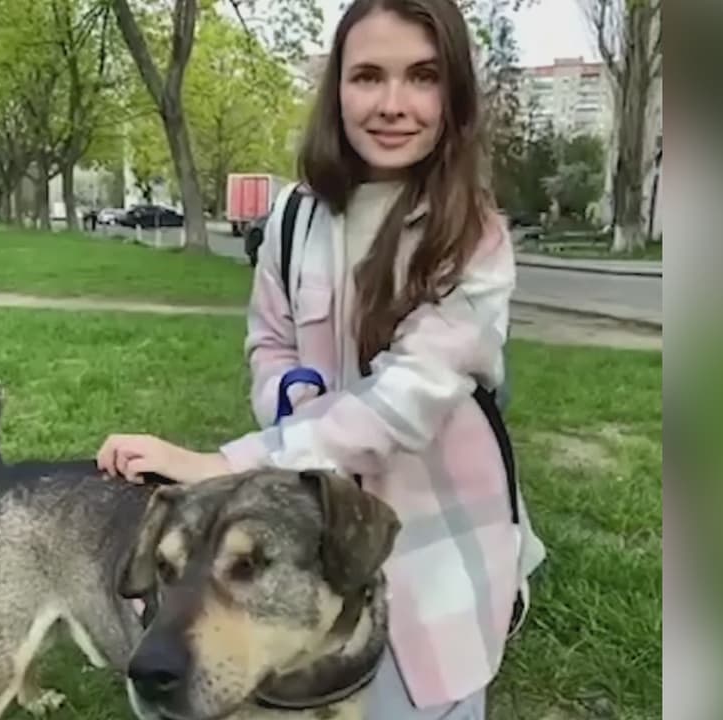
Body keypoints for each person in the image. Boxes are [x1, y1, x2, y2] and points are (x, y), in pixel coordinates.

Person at [97, 0, 545, 717]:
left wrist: (224, 464)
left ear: (454, 92)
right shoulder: (294, 216)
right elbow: (269, 342)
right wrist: (289, 400)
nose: (393, 103)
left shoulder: (474, 236)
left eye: (422, 76)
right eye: (368, 76)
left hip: (436, 547)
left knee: (424, 699)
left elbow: (406, 400)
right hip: (304, 542)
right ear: (337, 89)